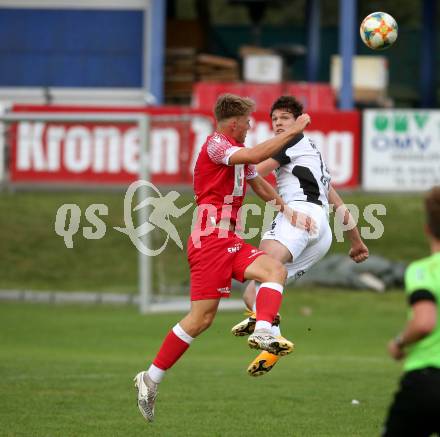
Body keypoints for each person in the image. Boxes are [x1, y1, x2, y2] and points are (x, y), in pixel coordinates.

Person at [134, 93, 314, 423]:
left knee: (275, 270)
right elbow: (255, 154)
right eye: (247, 122)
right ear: (234, 123)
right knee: (201, 319)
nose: (250, 126)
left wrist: (287, 211)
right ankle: (149, 378)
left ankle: (264, 330)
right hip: (208, 243)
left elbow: (258, 183)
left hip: (226, 240)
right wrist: (293, 131)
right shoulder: (217, 145)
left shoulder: (237, 155)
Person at [230, 95, 369, 376]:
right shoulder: (314, 153)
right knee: (253, 292)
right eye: (275, 120)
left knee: (262, 271)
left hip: (299, 216)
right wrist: (356, 241)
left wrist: (233, 163)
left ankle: (264, 329)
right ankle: (273, 340)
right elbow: (337, 203)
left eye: (284, 119)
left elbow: (253, 168)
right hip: (322, 232)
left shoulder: (290, 143)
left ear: (297, 122)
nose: (278, 124)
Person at [382, 186, 440, 437]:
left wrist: (399, 343)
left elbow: (424, 321)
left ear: (427, 229)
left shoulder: (423, 271)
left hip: (428, 379)